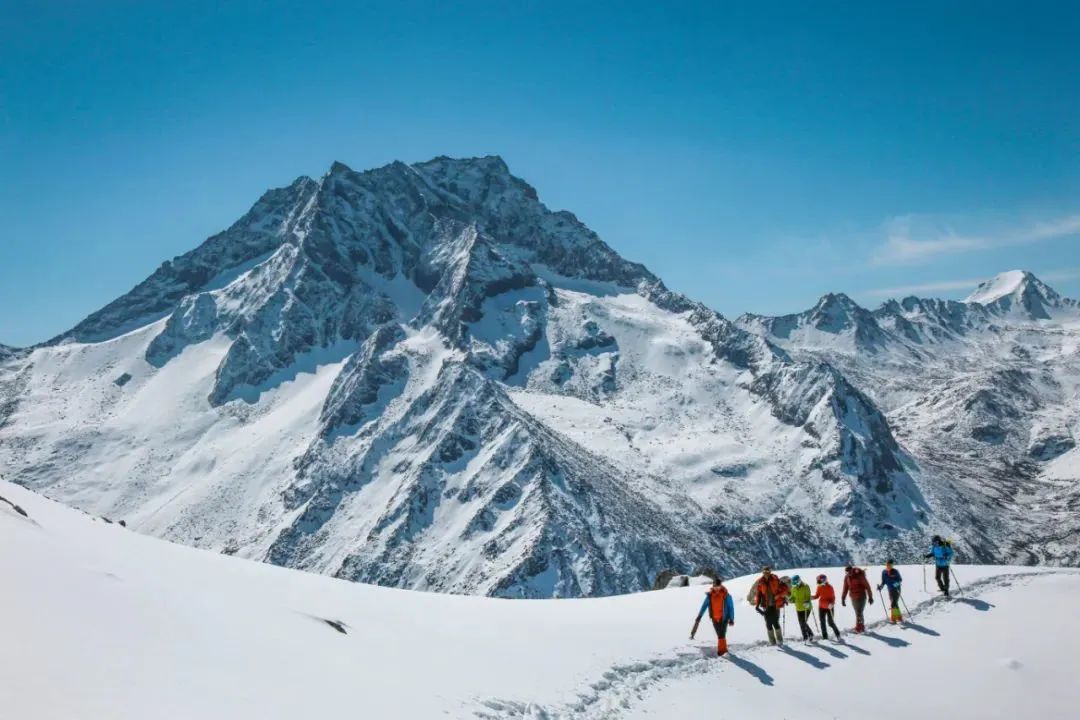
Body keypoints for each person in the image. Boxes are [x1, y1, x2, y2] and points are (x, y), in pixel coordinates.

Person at [690, 576, 735, 656]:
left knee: (721, 634)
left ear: (721, 586)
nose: (717, 588)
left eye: (718, 586)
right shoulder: (710, 596)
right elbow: (704, 606)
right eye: (715, 587)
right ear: (713, 586)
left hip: (724, 618)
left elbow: (731, 607)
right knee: (720, 635)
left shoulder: (726, 595)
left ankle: (722, 651)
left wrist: (731, 619)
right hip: (714, 618)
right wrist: (699, 616)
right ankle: (724, 650)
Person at [753, 565, 789, 646]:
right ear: (763, 572)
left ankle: (780, 640)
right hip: (766, 606)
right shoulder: (760, 582)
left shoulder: (776, 579)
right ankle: (772, 641)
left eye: (768, 571)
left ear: (770, 571)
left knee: (775, 622)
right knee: (768, 623)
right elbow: (759, 594)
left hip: (776, 605)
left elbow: (785, 589)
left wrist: (779, 595)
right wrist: (757, 604)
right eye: (765, 571)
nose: (766, 573)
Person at [841, 564, 873, 633]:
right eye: (846, 572)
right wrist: (843, 598)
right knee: (858, 613)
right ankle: (860, 626)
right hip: (853, 597)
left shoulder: (859, 576)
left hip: (861, 596)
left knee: (859, 612)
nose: (848, 573)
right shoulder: (847, 577)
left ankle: (859, 628)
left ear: (852, 570)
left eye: (849, 571)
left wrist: (870, 597)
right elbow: (845, 588)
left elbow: (867, 587)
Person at [812, 574, 841, 640]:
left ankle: (838, 634)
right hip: (821, 607)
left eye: (819, 581)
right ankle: (825, 637)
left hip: (829, 607)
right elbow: (817, 596)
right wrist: (811, 597)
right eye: (818, 581)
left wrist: (832, 604)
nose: (818, 583)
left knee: (830, 623)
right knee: (822, 622)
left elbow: (833, 597)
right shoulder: (819, 587)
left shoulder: (830, 587)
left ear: (824, 580)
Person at [789, 575, 814, 641]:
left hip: (806, 608)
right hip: (799, 608)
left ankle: (810, 634)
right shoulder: (793, 588)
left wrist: (807, 602)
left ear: (799, 581)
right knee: (801, 623)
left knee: (803, 622)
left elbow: (808, 597)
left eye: (795, 583)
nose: (794, 585)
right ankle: (805, 637)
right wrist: (790, 599)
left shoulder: (806, 586)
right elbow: (793, 597)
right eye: (793, 584)